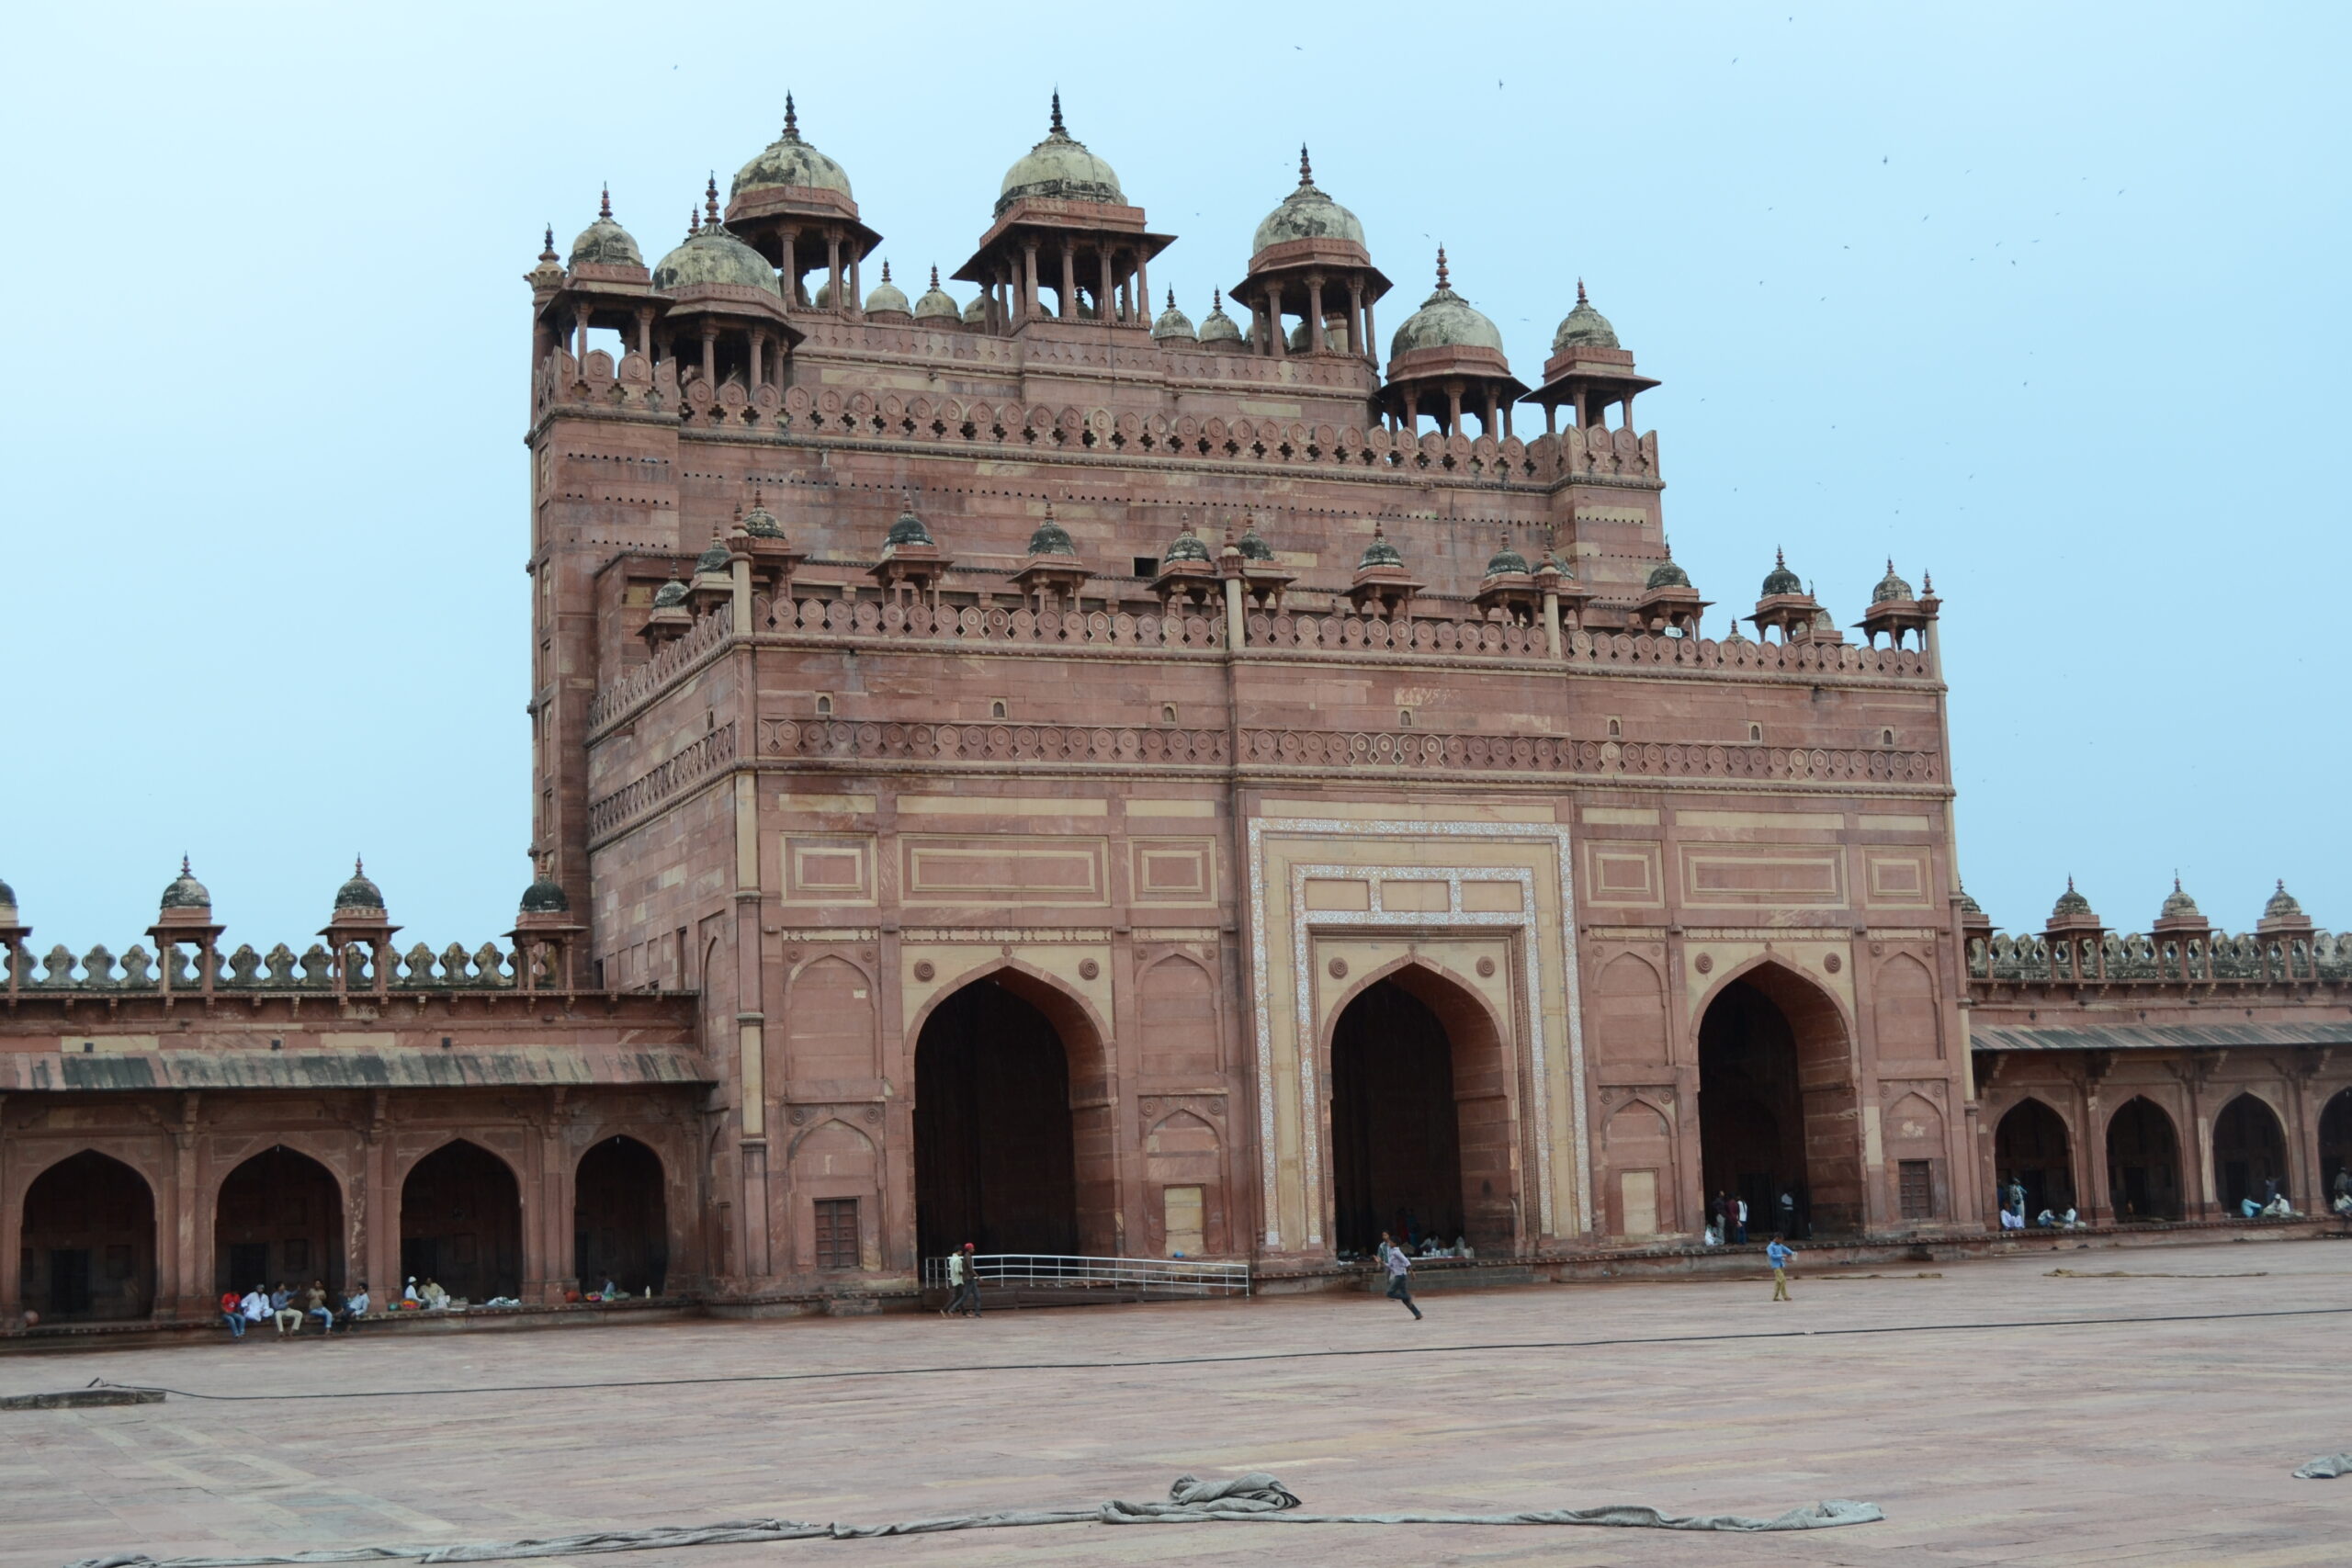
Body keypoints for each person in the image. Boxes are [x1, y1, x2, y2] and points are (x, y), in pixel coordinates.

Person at [1378, 1231, 1421, 1320]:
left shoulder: (1396, 1252)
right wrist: (1381, 1262)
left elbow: (1406, 1261)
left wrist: (1412, 1273)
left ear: (1394, 1243)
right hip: (1399, 1275)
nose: (1389, 1243)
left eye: (1390, 1242)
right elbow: (1390, 1266)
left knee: (1389, 1293)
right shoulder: (1392, 1252)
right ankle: (1417, 1313)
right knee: (1405, 1300)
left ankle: (1408, 1296)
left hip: (1400, 1276)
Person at [950, 1242, 982, 1317]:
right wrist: (978, 1276)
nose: (973, 1249)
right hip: (969, 1279)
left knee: (977, 1296)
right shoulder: (967, 1257)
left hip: (971, 1278)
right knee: (965, 1296)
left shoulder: (968, 1256)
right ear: (969, 1249)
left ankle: (977, 1313)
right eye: (972, 1248)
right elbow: (970, 1268)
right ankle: (953, 1308)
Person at [1766, 1235, 1796, 1302]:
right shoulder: (1770, 1247)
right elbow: (1772, 1256)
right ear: (1777, 1238)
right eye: (1781, 1240)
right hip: (1776, 1266)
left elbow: (1788, 1251)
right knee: (1783, 1280)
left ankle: (1775, 1297)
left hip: (1781, 1265)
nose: (1781, 1241)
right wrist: (1781, 1255)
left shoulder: (1780, 1245)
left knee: (1778, 1282)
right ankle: (1785, 1296)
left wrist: (1793, 1254)